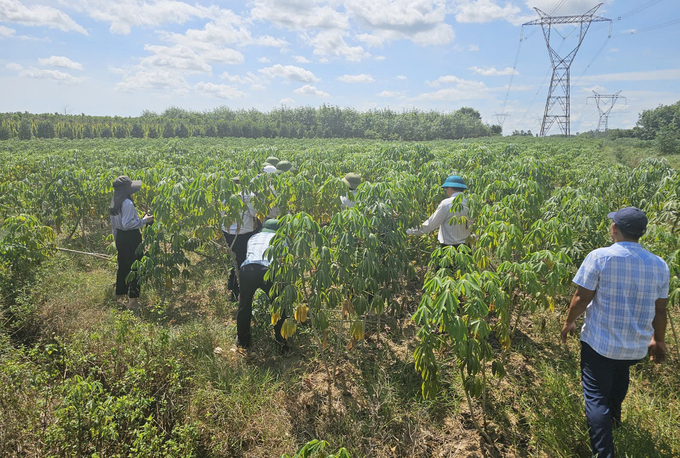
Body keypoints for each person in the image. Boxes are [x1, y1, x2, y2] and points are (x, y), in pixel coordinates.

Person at [561, 207, 669, 458]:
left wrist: (569, 322)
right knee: (619, 376)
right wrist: (658, 340)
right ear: (642, 233)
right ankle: (615, 422)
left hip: (600, 344)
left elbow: (581, 297)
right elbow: (661, 309)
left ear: (614, 229)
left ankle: (603, 452)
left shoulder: (600, 257)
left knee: (596, 398)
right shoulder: (659, 264)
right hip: (635, 347)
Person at [237, 219, 287, 349]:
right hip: (268, 271)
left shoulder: (253, 237)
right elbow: (284, 261)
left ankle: (243, 341)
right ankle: (281, 342)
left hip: (247, 269)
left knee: (245, 305)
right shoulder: (281, 239)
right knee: (277, 305)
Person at [109, 176, 153, 310]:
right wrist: (145, 220)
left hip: (121, 237)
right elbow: (127, 224)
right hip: (130, 237)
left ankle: (121, 295)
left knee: (123, 266)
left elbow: (114, 225)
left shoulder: (114, 202)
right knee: (135, 267)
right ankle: (133, 301)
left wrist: (117, 240)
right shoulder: (127, 203)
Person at [222, 176, 260, 302]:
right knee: (242, 261)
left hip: (227, 232)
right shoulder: (247, 194)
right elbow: (255, 213)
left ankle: (232, 286)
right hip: (244, 233)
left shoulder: (222, 194)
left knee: (235, 259)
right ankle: (236, 291)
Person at [406, 175, 470, 247]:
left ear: (450, 189)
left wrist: (410, 231)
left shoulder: (446, 204)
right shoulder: (470, 203)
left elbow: (430, 224)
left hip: (448, 248)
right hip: (466, 247)